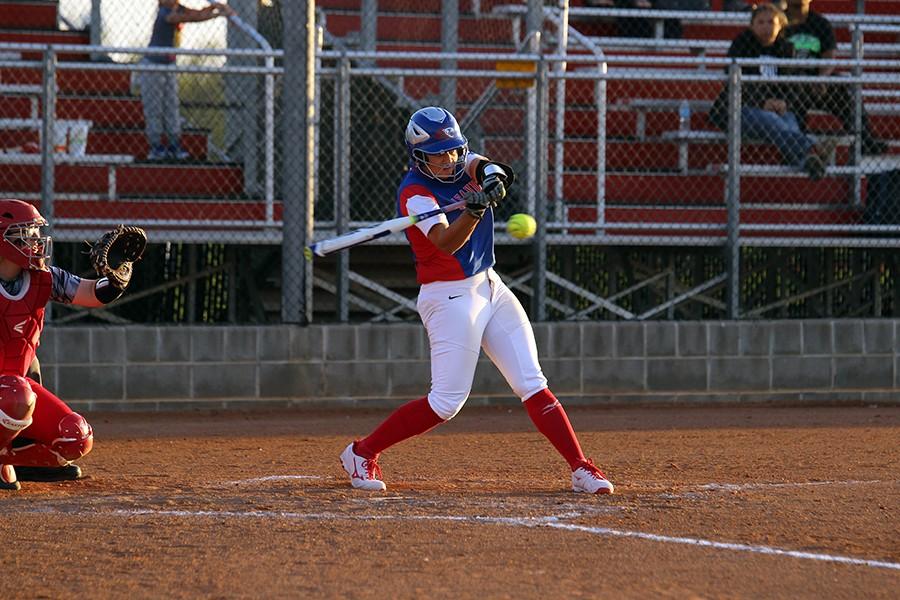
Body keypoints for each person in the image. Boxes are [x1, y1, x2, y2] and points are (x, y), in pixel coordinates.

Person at [339, 107, 614, 495]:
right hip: (448, 296)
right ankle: (360, 452)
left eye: (453, 151)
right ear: (418, 156)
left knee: (532, 382)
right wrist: (474, 209)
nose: (448, 159)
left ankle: (581, 467)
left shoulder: (460, 160)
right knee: (446, 402)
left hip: (489, 285)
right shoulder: (415, 194)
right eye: (438, 154)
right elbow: (446, 243)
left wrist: (492, 176)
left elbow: (484, 166)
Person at [0, 199, 136, 490]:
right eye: (24, 233)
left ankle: (15, 461)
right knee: (16, 393)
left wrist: (115, 281)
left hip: (14, 389)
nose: (36, 242)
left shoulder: (43, 277)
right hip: (9, 392)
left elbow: (91, 294)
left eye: (35, 233)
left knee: (75, 437)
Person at [709, 3, 833, 180]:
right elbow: (733, 83)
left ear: (780, 26)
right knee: (773, 121)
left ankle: (808, 161)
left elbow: (795, 87)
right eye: (760, 22)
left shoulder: (786, 48)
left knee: (790, 121)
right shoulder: (742, 44)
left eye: (771, 22)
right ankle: (814, 148)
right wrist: (762, 103)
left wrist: (785, 102)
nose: (766, 27)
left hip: (778, 109)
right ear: (752, 25)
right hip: (742, 109)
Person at [782, 0, 887, 155]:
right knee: (793, 90)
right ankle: (799, 148)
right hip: (788, 82)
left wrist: (822, 78)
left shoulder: (820, 23)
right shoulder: (778, 22)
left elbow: (829, 56)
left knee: (844, 86)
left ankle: (864, 139)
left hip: (817, 82)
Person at [141, 0, 235, 161]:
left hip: (169, 65)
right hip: (153, 66)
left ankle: (174, 145)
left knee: (171, 106)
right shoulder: (165, 13)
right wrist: (218, 13)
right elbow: (189, 19)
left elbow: (196, 14)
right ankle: (156, 146)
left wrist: (215, 7)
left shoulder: (179, 9)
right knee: (155, 107)